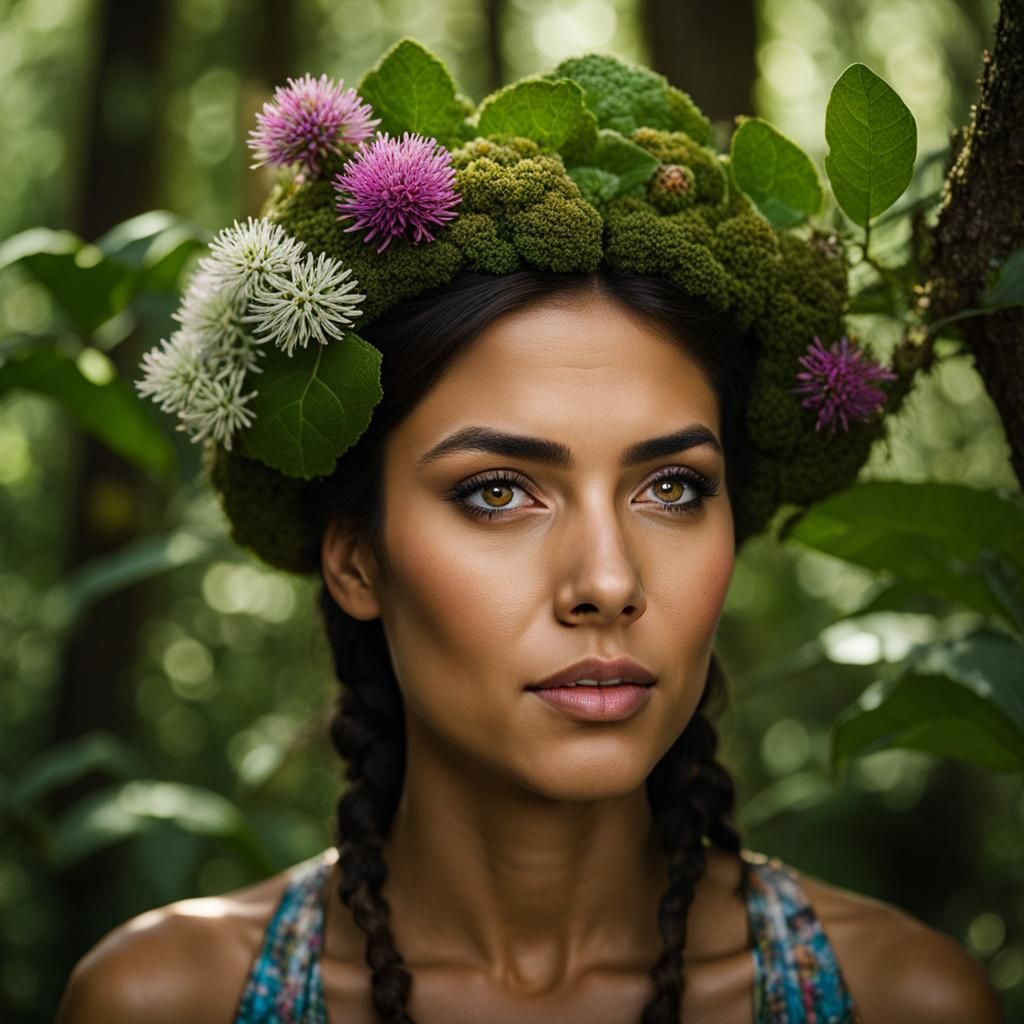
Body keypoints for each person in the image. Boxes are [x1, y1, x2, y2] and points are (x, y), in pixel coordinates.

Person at [57, 40, 1006, 1024]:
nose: (608, 581)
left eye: (672, 487)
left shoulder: (908, 1001)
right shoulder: (163, 1001)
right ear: (355, 560)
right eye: (500, 492)